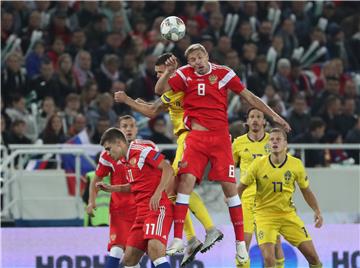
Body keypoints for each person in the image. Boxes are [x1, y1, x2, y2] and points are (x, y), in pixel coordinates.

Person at [155, 43, 290, 265]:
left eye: (200, 57)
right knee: (184, 183)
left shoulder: (223, 73)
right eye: (192, 60)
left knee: (230, 190)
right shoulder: (183, 75)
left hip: (220, 140)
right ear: (188, 62)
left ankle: (240, 247)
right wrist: (168, 72)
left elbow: (249, 97)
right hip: (195, 139)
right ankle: (179, 238)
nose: (197, 62)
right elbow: (159, 90)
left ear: (207, 56)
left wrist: (274, 115)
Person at [114, 52, 222, 266]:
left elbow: (152, 111)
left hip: (190, 138)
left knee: (174, 187)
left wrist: (127, 101)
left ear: (172, 70)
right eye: (156, 74)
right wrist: (144, 103)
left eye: (160, 72)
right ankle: (192, 238)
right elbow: (157, 103)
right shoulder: (181, 85)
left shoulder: (181, 85)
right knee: (177, 189)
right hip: (189, 138)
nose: (158, 77)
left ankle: (206, 231)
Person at [238, 128, 323, 268]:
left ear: (285, 144)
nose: (274, 142)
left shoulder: (296, 164)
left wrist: (317, 211)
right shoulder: (258, 164)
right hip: (264, 216)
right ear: (268, 144)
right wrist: (232, 202)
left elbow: (306, 191)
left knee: (313, 258)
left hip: (288, 215)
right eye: (271, 139)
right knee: (269, 260)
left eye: (278, 139)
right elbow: (240, 188)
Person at [99, 127, 174, 268]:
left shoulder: (141, 150)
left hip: (157, 208)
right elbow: (134, 186)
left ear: (119, 143)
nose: (108, 154)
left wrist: (158, 192)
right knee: (129, 259)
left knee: (155, 250)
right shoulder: (126, 162)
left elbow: (168, 169)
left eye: (109, 149)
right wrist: (112, 188)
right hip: (141, 214)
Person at [232, 108, 285, 268]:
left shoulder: (273, 141)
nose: (255, 119)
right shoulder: (238, 143)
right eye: (252, 116)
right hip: (247, 200)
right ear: (247, 121)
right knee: (243, 244)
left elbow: (283, 167)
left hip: (269, 199)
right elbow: (229, 167)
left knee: (275, 245)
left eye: (259, 117)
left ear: (264, 122)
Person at [86, 115, 138, 268]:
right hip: (119, 211)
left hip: (142, 209)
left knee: (150, 251)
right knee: (116, 249)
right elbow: (95, 180)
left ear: (137, 129)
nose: (128, 129)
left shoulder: (144, 150)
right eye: (124, 126)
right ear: (118, 132)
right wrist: (91, 201)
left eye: (131, 126)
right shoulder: (107, 155)